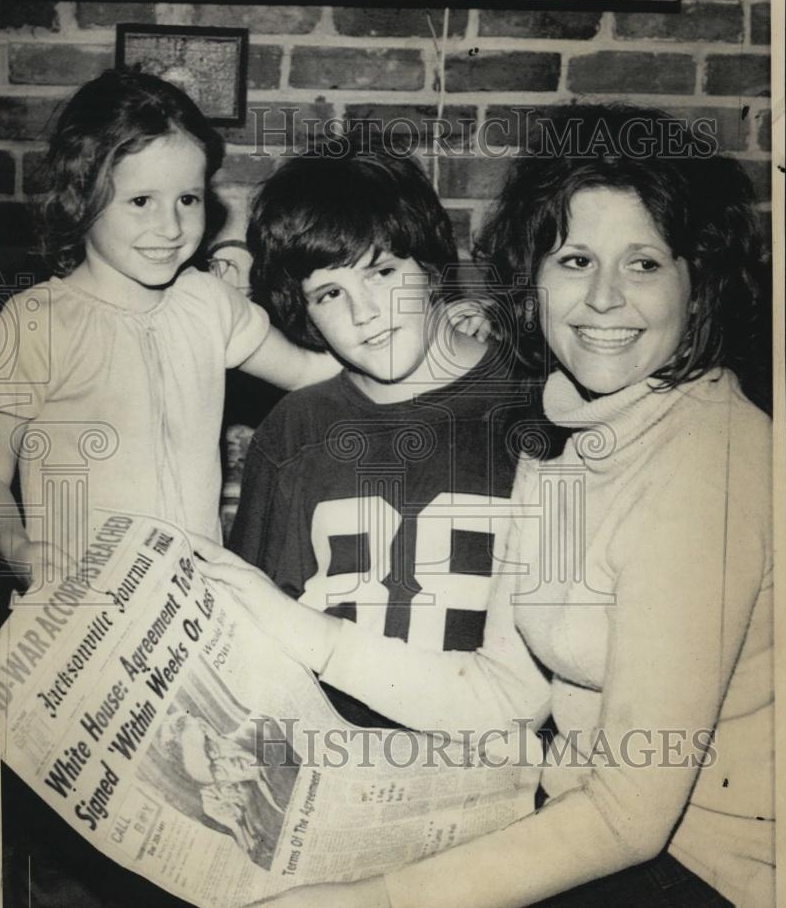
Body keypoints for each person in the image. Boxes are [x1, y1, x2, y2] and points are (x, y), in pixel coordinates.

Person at [199, 105, 775, 908]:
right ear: (532, 276)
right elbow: (504, 690)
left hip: (710, 876)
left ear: (699, 280)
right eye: (576, 259)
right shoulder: (561, 432)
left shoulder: (708, 462)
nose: (605, 298)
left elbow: (630, 815)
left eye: (644, 262)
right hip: (583, 830)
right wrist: (300, 633)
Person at [222, 141, 554, 732]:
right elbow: (253, 635)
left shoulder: (539, 408)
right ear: (303, 312)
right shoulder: (295, 430)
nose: (366, 312)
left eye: (381, 271)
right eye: (330, 294)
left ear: (430, 265)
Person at [0, 68, 342, 591]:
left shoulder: (206, 302)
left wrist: (420, 341)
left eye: (188, 199)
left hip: (195, 603)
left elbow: (310, 372)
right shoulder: (34, 323)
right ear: (79, 197)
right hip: (78, 605)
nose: (172, 228)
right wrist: (19, 549)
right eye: (141, 201)